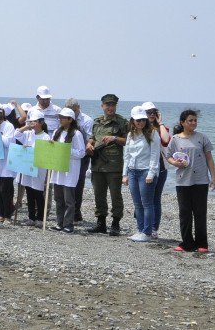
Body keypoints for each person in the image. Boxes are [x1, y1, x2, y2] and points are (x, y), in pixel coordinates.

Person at [166, 109, 215, 253]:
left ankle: (202, 244)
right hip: (182, 180)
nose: (194, 123)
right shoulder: (175, 139)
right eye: (190, 120)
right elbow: (168, 156)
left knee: (200, 212)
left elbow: (209, 158)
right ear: (183, 123)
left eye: (195, 120)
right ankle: (186, 243)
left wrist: (213, 177)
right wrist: (175, 163)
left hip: (200, 180)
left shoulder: (202, 137)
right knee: (185, 212)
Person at [87, 93, 129, 236]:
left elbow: (129, 142)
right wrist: (89, 144)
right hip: (97, 164)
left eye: (113, 105)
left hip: (114, 165)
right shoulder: (97, 122)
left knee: (115, 196)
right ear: (102, 106)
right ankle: (101, 223)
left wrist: (115, 138)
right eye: (108, 105)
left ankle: (115, 224)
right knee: (99, 194)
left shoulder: (122, 122)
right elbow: (93, 137)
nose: (110, 107)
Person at [123, 106, 160, 242]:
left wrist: (151, 173)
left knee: (147, 203)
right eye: (138, 120)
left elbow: (155, 155)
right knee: (137, 203)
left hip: (146, 171)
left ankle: (147, 232)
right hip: (132, 171)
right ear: (132, 121)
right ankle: (140, 230)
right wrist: (124, 174)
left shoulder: (153, 133)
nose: (141, 123)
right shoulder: (130, 134)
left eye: (143, 120)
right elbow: (127, 155)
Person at [49, 108, 87, 233]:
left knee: (69, 200)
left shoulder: (76, 134)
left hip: (70, 170)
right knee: (58, 198)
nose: (60, 119)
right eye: (60, 117)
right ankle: (59, 223)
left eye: (63, 117)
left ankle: (68, 224)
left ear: (70, 120)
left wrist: (66, 150)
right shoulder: (57, 131)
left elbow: (81, 153)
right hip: (58, 169)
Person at [15, 109, 51, 227]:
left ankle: (40, 218)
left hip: (39, 167)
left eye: (34, 121)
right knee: (29, 191)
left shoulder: (45, 136)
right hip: (27, 166)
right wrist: (26, 127)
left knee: (38, 192)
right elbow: (17, 134)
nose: (32, 124)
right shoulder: (28, 134)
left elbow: (45, 153)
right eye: (31, 121)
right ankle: (31, 217)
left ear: (41, 122)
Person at [141, 101, 171, 238]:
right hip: (142, 167)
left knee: (155, 198)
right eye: (148, 112)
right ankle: (143, 225)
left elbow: (166, 140)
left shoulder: (161, 128)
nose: (151, 114)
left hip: (160, 167)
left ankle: (153, 228)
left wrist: (161, 123)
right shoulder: (138, 128)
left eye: (154, 112)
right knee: (143, 198)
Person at [65, 98, 93, 222]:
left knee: (78, 182)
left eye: (74, 110)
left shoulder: (87, 120)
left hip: (82, 155)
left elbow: (90, 138)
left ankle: (76, 212)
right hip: (66, 154)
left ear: (78, 108)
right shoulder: (65, 118)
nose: (72, 112)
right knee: (66, 182)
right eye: (70, 110)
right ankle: (67, 211)